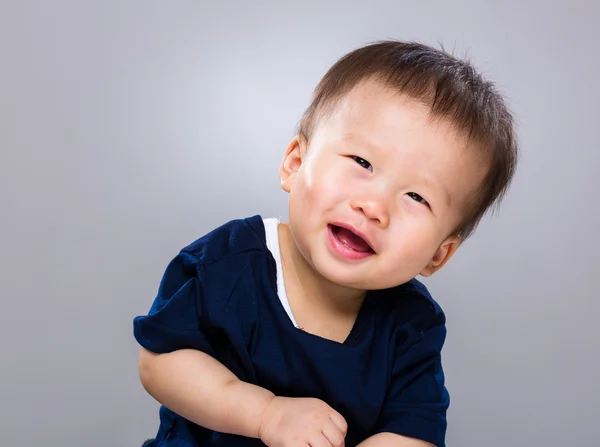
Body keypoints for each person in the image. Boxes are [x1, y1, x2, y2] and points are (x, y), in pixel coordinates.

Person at [133, 40, 518, 447]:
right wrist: (264, 413)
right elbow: (161, 363)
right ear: (295, 164)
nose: (373, 207)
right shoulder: (228, 263)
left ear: (439, 254)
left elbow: (411, 432)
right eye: (362, 163)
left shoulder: (410, 325)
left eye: (416, 197)